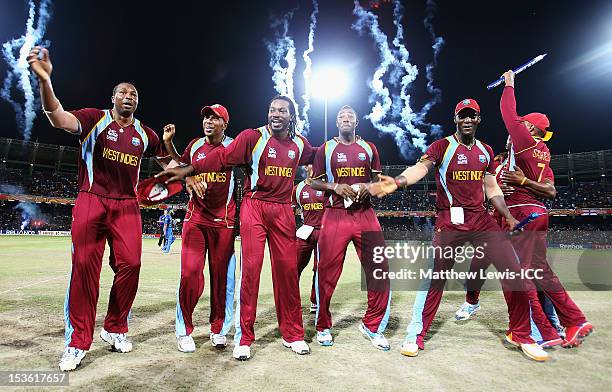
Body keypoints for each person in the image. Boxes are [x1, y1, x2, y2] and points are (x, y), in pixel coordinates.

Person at [369, 98, 551, 362]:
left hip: (481, 220)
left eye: (472, 115)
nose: (467, 120)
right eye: (462, 115)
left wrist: (508, 216)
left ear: (478, 119)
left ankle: (521, 334)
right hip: (450, 221)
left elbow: (491, 188)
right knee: (435, 279)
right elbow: (421, 167)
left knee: (513, 272)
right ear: (455, 119)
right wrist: (398, 181)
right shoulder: (442, 146)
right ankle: (415, 334)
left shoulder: (487, 151)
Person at [27, 46, 169, 371]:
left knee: (131, 264)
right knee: (84, 271)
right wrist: (45, 82)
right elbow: (58, 117)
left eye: (133, 93)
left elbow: (169, 162)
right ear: (114, 98)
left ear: (137, 101)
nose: (129, 96)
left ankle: (114, 327)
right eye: (123, 92)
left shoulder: (145, 135)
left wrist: (184, 173)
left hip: (127, 205)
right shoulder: (95, 119)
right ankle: (77, 342)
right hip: (92, 199)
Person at [156, 96, 316, 360]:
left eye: (282, 110)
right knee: (249, 272)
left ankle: (293, 334)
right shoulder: (252, 137)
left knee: (288, 272)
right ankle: (244, 338)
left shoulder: (300, 144)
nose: (276, 114)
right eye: (272, 109)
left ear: (291, 116)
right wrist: (189, 171)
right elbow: (220, 158)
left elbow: (318, 158)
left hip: (281, 211)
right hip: (254, 206)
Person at [456, 71, 592, 348]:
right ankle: (574, 320)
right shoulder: (539, 154)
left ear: (529, 129)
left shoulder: (526, 143)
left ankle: (544, 331)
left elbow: (508, 111)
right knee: (539, 272)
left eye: (520, 126)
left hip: (519, 215)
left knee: (519, 276)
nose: (512, 129)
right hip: (532, 213)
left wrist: (509, 83)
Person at [310, 105, 391, 350]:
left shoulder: (369, 148)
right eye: (341, 117)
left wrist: (374, 188)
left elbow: (378, 183)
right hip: (336, 215)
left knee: (380, 268)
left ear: (357, 123)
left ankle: (372, 325)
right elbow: (313, 181)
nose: (346, 120)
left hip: (365, 214)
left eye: (350, 117)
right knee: (326, 273)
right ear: (337, 123)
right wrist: (334, 187)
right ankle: (323, 326)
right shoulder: (326, 148)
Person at [162, 104, 237, 352]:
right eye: (206, 117)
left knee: (221, 280)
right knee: (190, 274)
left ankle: (218, 329)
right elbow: (180, 166)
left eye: (215, 118)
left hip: (224, 222)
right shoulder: (195, 145)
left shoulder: (234, 147)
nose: (208, 121)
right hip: (195, 219)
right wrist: (170, 143)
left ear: (224, 124)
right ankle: (184, 330)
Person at [293, 164, 326, 314]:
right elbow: (290, 211)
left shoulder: (327, 186)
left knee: (320, 269)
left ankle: (315, 300)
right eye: (312, 165)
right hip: (305, 231)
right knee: (294, 267)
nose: (315, 168)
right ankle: (291, 300)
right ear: (306, 168)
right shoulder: (298, 189)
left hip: (324, 233)